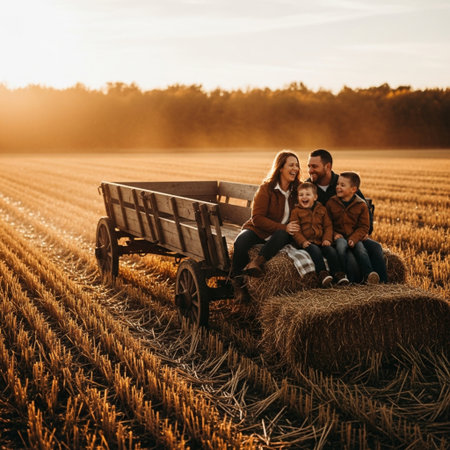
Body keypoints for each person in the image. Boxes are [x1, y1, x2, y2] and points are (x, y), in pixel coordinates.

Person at [230, 150, 301, 302]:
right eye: (291, 165)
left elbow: (315, 196)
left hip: (281, 235)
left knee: (283, 234)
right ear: (280, 168)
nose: (295, 168)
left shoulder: (299, 190)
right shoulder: (267, 189)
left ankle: (257, 263)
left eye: (297, 165)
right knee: (240, 242)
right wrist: (283, 227)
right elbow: (257, 218)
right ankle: (238, 283)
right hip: (259, 230)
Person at [307, 148, 386, 282]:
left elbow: (364, 207)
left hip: (354, 233)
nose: (310, 170)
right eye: (308, 166)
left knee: (376, 248)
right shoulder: (308, 188)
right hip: (330, 236)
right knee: (350, 258)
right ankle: (356, 292)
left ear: (328, 167)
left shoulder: (344, 181)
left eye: (314, 166)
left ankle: (384, 287)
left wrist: (365, 231)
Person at [326, 172, 387, 284]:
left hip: (354, 237)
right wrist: (334, 234)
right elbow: (327, 223)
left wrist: (354, 238)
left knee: (362, 250)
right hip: (338, 237)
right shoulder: (331, 202)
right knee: (341, 247)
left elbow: (364, 226)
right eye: (337, 184)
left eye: (342, 185)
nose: (338, 187)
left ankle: (376, 279)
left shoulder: (361, 204)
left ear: (353, 189)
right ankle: (343, 276)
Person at [289, 182, 349, 287]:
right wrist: (302, 241)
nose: (304, 197)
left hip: (321, 241)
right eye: (301, 195)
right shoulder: (296, 212)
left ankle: (339, 274)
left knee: (331, 251)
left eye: (308, 194)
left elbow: (328, 226)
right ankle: (322, 274)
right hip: (307, 243)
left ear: (315, 197)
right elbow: (295, 230)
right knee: (315, 250)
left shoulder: (322, 209)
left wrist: (327, 239)